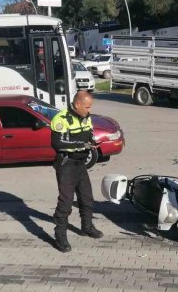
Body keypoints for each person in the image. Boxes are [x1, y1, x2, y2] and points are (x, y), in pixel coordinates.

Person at [50, 91, 103, 253]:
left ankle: (86, 226)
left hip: (81, 164)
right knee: (65, 203)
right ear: (78, 104)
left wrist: (92, 142)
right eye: (87, 106)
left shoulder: (86, 116)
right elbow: (57, 143)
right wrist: (82, 144)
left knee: (87, 198)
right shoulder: (61, 118)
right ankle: (60, 236)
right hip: (66, 164)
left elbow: (89, 134)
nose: (89, 110)